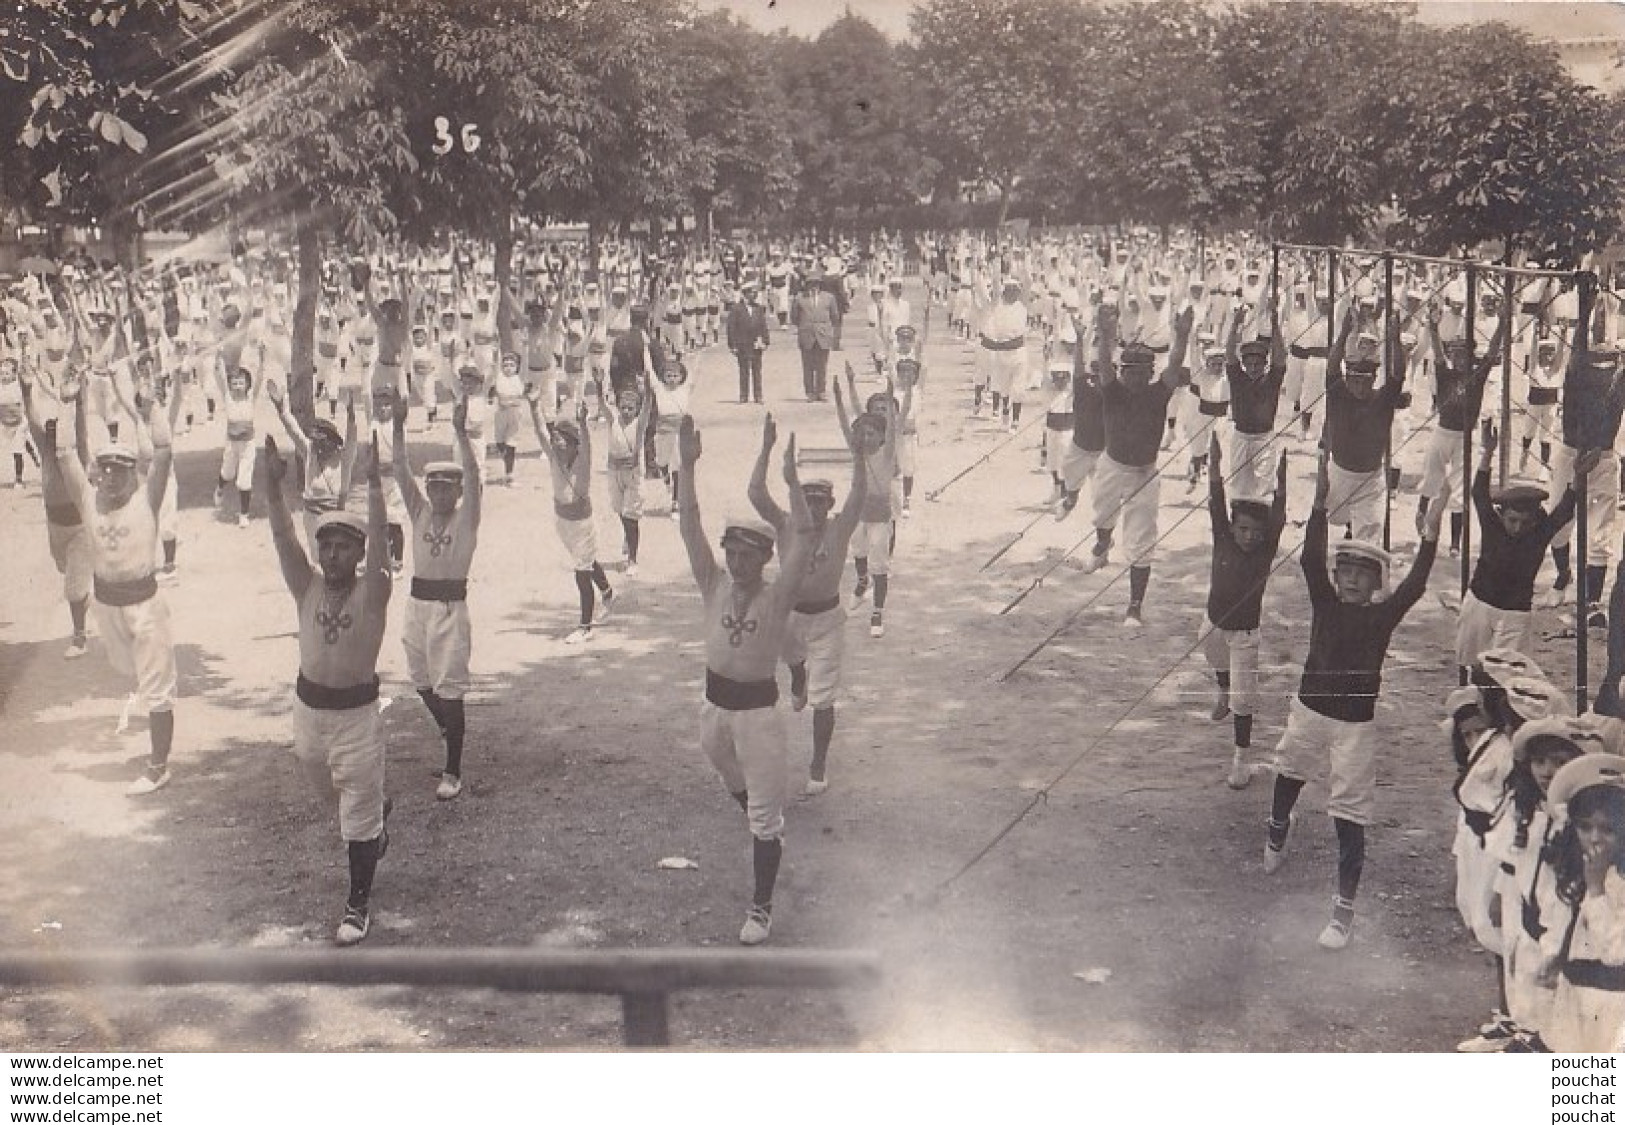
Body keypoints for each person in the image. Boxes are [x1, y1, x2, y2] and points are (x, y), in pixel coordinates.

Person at [1264, 451, 1442, 950]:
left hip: (1355, 727)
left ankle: (1343, 910)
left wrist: (1428, 536)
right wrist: (1319, 506)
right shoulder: (1323, 599)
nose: (1352, 579)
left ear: (1375, 583)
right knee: (1289, 768)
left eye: (1363, 574)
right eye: (1346, 570)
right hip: (1309, 710)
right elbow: (1307, 558)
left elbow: (1417, 585)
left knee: (1350, 810)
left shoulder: (1382, 617)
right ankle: (1277, 827)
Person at [676, 415, 816, 945]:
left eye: (747, 554)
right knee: (729, 777)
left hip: (759, 716)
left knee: (762, 816)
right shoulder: (713, 583)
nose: (736, 562)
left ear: (765, 557)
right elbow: (688, 525)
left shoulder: (777, 598)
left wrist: (791, 481)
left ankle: (761, 907)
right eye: (731, 552)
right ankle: (767, 829)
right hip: (714, 711)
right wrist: (687, 466)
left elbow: (802, 535)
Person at [262, 434, 392, 945]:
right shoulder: (307, 584)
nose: (333, 554)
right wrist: (273, 490)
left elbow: (381, 538)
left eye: (344, 546)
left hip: (358, 718)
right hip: (309, 714)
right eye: (327, 545)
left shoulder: (374, 593)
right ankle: (374, 817)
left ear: (360, 553)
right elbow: (281, 537)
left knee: (355, 817)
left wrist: (376, 485)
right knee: (330, 796)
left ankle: (358, 905)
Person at [54, 366, 182, 795]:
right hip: (106, 607)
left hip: (144, 605)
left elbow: (163, 450)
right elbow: (65, 453)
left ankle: (158, 766)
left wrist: (151, 403)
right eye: (105, 469)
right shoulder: (89, 500)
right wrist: (68, 400)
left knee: (155, 686)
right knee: (130, 674)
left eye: (121, 469)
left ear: (132, 473)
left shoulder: (147, 499)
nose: (111, 476)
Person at [748, 413, 868, 796]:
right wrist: (767, 450)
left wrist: (859, 454)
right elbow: (755, 493)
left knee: (823, 698)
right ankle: (797, 673)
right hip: (789, 618)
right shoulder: (786, 524)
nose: (813, 508)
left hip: (828, 619)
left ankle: (818, 762)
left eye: (820, 502)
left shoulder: (841, 526)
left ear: (830, 504)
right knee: (793, 662)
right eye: (806, 500)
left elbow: (860, 492)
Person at [1080, 302, 1195, 627]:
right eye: (1129, 370)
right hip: (1112, 466)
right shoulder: (1112, 390)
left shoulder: (1158, 393)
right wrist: (1106, 332)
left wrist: (1182, 335)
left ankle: (1134, 605)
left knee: (1143, 539)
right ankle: (1103, 543)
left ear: (1149, 374)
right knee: (1102, 515)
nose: (1134, 377)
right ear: (1122, 372)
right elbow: (1103, 362)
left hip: (1144, 473)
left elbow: (1174, 363)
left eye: (1141, 372)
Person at [393, 391, 481, 800]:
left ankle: (453, 770)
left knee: (449, 686)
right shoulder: (420, 512)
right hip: (417, 604)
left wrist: (461, 434)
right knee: (420, 679)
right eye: (434, 487)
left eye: (447, 488)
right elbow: (399, 471)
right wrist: (396, 426)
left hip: (449, 608)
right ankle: (447, 726)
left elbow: (477, 481)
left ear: (458, 492)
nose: (439, 494)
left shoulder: (466, 519)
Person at [1456, 421, 1584, 675]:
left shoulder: (1538, 534)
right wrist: (1487, 454)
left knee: (1507, 676)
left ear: (1535, 520)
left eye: (1525, 522)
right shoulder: (1492, 525)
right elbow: (1479, 495)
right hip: (1479, 604)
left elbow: (1564, 511)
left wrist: (1578, 477)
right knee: (1472, 667)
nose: (1517, 527)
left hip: (1515, 614)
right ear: (1501, 514)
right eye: (1512, 520)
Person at [1204, 435, 1288, 790]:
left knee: (1244, 698)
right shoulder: (1222, 538)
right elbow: (1216, 505)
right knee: (1211, 654)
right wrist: (1214, 468)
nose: (1250, 536)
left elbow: (1280, 517)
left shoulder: (1264, 553)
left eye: (1257, 532)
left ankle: (1241, 759)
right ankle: (1222, 688)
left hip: (1244, 635)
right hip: (1212, 625)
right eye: (1243, 529)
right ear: (1231, 528)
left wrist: (1283, 484)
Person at [1540, 752, 1625, 1052]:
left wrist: (1597, 889)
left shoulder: (1613, 882)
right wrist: (1554, 956)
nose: (1594, 839)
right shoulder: (1579, 871)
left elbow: (1615, 953)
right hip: (1574, 995)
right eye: (1585, 827)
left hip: (1613, 1004)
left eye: (1608, 829)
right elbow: (1568, 924)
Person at [19, 359, 93, 658]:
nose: (54, 437)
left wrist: (76, 398)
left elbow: (80, 424)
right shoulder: (45, 447)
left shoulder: (77, 451)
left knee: (74, 588)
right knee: (67, 573)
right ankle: (83, 594)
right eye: (51, 432)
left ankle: (79, 637)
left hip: (79, 528)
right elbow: (33, 416)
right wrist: (26, 391)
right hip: (55, 527)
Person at [530, 396, 613, 643]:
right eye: (554, 438)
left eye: (560, 439)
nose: (555, 442)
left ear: (572, 443)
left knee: (581, 572)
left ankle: (585, 626)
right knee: (585, 560)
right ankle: (607, 592)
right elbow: (539, 432)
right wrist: (534, 406)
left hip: (582, 524)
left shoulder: (582, 461)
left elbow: (588, 445)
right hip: (562, 522)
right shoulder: (555, 458)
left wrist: (583, 423)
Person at [791, 269, 839, 402]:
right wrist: (804, 326)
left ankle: (821, 391)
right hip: (806, 335)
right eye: (810, 283)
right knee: (808, 366)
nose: (813, 286)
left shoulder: (829, 298)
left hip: (823, 335)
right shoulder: (800, 298)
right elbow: (794, 317)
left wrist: (826, 329)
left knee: (822, 366)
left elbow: (835, 317)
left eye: (816, 283)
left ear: (820, 284)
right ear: (806, 284)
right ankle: (810, 392)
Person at [727, 281, 771, 405]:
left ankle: (758, 396)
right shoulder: (736, 309)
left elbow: (763, 326)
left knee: (757, 370)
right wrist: (733, 345)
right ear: (746, 294)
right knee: (744, 370)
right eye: (752, 292)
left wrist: (766, 341)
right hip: (742, 344)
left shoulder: (758, 308)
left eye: (755, 292)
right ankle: (743, 395)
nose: (755, 294)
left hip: (757, 343)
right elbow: (731, 328)